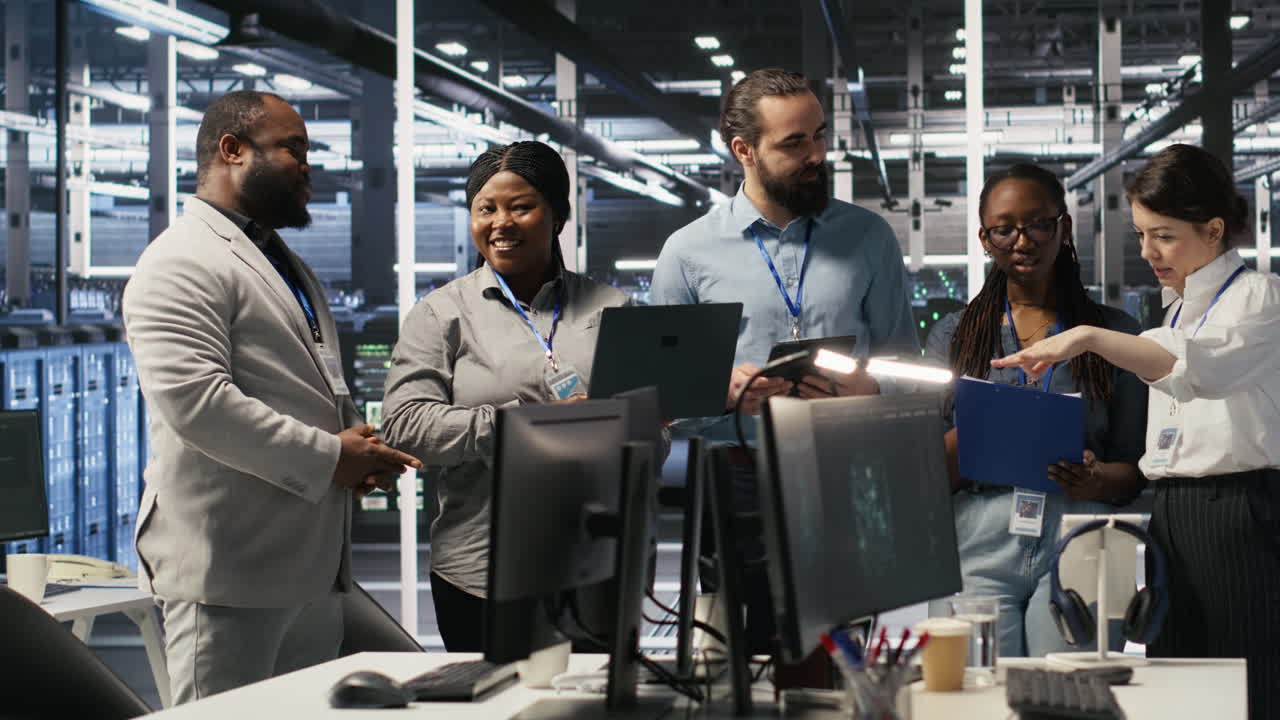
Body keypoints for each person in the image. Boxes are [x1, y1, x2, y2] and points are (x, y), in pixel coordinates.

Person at [122, 90, 421, 704]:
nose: (307, 165)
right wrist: (329, 456)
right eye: (293, 148)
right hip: (228, 570)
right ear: (232, 150)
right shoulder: (179, 261)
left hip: (307, 570)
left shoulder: (278, 258)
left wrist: (356, 445)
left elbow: (307, 380)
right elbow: (198, 404)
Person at [993, 144, 1280, 718]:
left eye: (1164, 236)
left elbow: (1192, 370)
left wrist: (1087, 338)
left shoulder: (1258, 300)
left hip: (1235, 512)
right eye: (1143, 234)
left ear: (1215, 228)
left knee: (1246, 681)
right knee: (1178, 683)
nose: (1148, 251)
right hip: (1172, 512)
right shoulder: (1176, 310)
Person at [649, 68, 918, 652]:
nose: (816, 155)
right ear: (743, 150)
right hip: (734, 471)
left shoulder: (869, 238)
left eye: (820, 136)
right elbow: (661, 398)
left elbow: (907, 368)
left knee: (843, 651)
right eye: (794, 143)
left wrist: (869, 392)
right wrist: (722, 392)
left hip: (848, 463)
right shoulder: (687, 252)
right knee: (743, 654)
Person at [379, 141, 631, 652]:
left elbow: (647, 435)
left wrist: (632, 427)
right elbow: (405, 426)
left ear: (557, 215)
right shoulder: (441, 314)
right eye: (485, 209)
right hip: (480, 568)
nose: (501, 223)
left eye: (521, 206)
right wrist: (522, 426)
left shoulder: (611, 308)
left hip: (594, 560)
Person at [923, 163, 1148, 657]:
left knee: (1069, 693)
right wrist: (976, 435)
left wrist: (1095, 479)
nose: (1022, 240)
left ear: (1063, 227)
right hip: (980, 541)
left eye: (1038, 223)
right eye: (1004, 228)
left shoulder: (1114, 335)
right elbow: (925, 472)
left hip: (1079, 535)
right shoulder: (955, 336)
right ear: (985, 239)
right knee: (980, 693)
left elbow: (1135, 470)